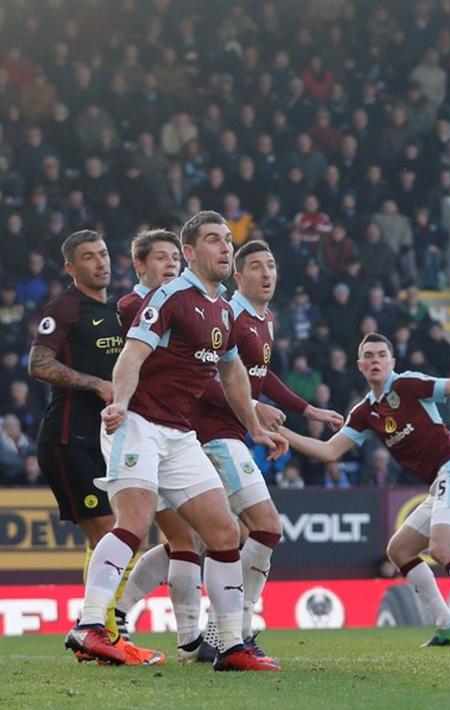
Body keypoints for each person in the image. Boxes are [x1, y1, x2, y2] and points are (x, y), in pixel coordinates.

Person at [64, 211, 287, 671]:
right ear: (190, 252)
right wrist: (120, 402)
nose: (225, 248)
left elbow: (232, 372)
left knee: (224, 533)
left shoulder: (225, 309)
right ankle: (89, 625)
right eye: (213, 240)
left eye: (227, 240)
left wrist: (256, 427)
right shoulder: (169, 298)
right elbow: (132, 354)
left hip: (180, 434)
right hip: (139, 423)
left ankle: (229, 646)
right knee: (135, 520)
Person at [277, 333, 450, 648]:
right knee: (400, 550)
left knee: (442, 547)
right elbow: (328, 452)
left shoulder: (407, 385)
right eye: (369, 355)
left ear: (392, 362)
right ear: (360, 365)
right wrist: (281, 432)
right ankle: (446, 625)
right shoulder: (364, 412)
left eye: (382, 354)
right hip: (442, 481)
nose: (376, 360)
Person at [190, 240, 345, 663]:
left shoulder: (265, 320)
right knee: (267, 528)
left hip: (236, 432)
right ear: (237, 276)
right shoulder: (229, 314)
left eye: (271, 265)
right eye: (255, 266)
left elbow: (260, 374)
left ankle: (214, 635)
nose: (266, 273)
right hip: (214, 434)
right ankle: (235, 632)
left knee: (227, 537)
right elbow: (205, 377)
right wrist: (255, 412)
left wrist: (306, 408)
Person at [28, 230, 164, 665]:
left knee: (114, 539)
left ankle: (101, 635)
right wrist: (96, 384)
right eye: (88, 257)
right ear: (72, 268)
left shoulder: (118, 310)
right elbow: (38, 363)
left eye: (103, 254)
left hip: (107, 441)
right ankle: (101, 633)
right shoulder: (64, 307)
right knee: (113, 536)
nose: (100, 263)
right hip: (69, 440)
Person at [111, 229, 217, 663]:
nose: (171, 265)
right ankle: (118, 616)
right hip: (139, 427)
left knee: (184, 537)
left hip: (173, 429)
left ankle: (124, 615)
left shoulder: (182, 304)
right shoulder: (134, 305)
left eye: (175, 258)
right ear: (141, 265)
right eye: (160, 258)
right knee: (177, 535)